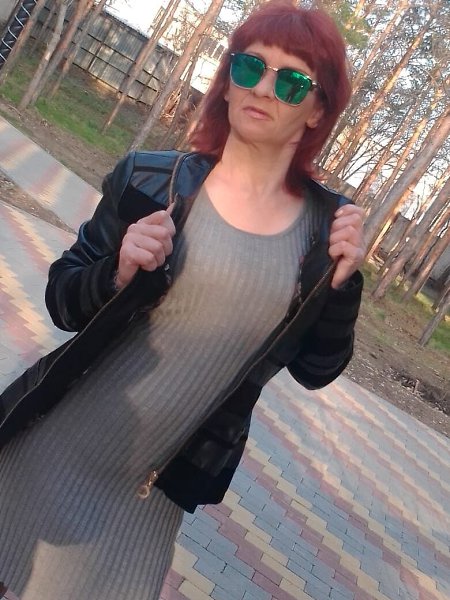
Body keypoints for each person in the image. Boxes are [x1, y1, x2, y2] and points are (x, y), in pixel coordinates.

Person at [0, 1, 365, 598]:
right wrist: (117, 273)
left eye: (292, 81)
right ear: (229, 80)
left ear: (317, 109)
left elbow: (317, 370)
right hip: (45, 450)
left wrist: (344, 284)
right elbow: (63, 301)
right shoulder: (149, 180)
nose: (264, 88)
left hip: (149, 497)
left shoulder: (326, 235)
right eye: (251, 67)